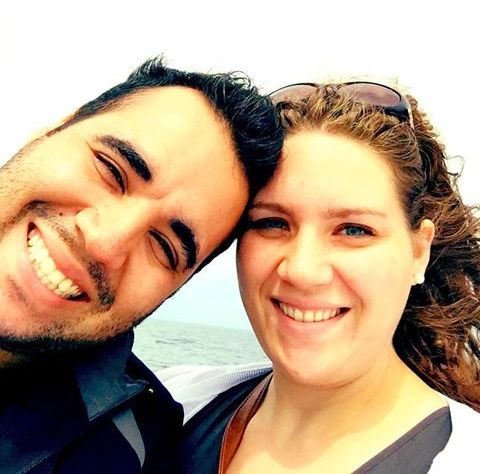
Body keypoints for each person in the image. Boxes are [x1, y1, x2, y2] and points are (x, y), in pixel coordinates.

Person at [165, 82, 480, 473]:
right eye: (272, 223)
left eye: (354, 230)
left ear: (419, 251)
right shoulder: (172, 406)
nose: (302, 270)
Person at [0, 55, 283, 473]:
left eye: (164, 247)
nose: (105, 243)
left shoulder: (133, 453)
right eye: (112, 170)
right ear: (52, 131)